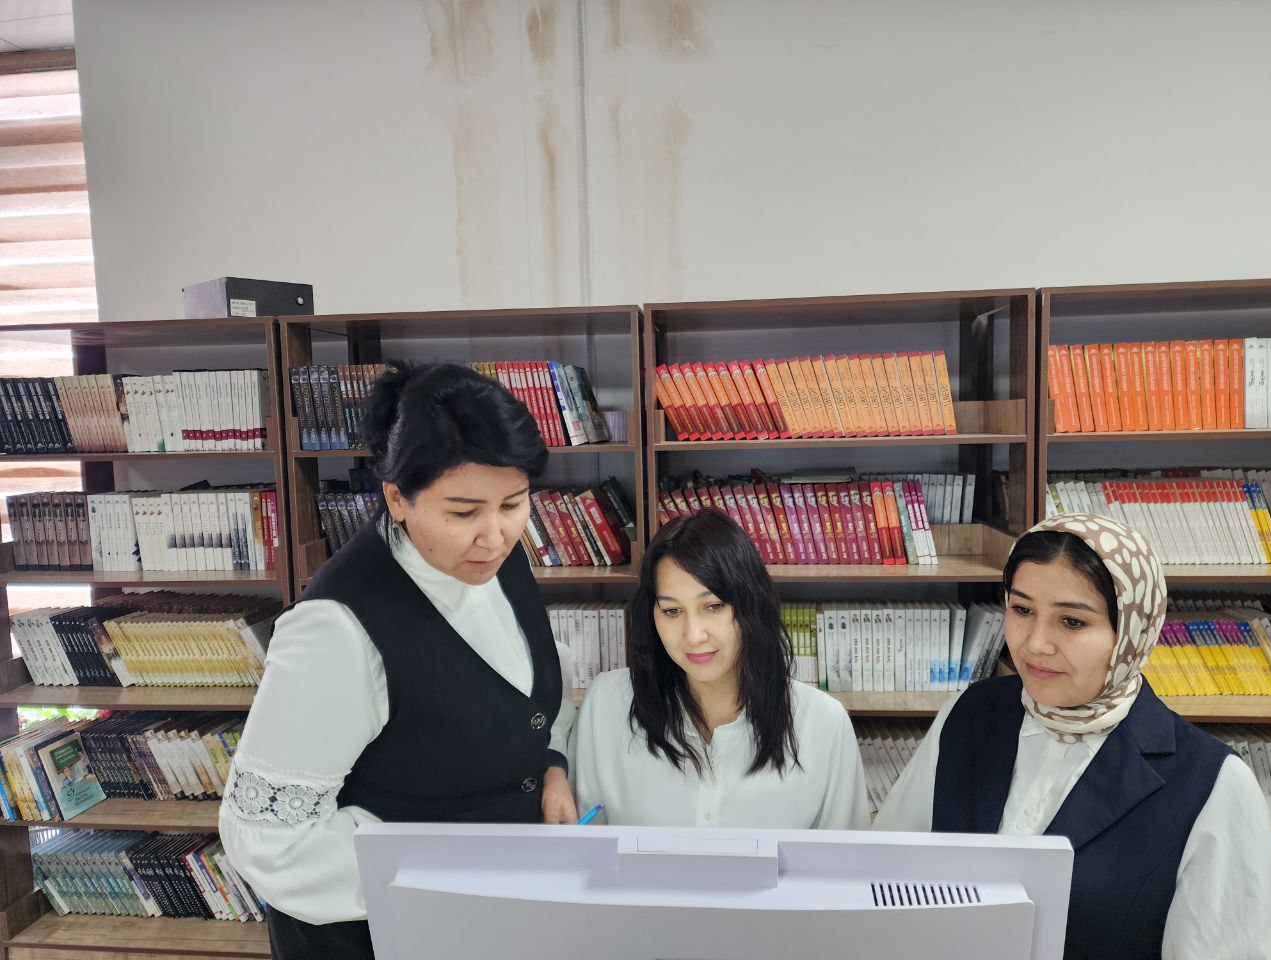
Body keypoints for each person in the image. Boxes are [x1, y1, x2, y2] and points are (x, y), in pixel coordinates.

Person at [219, 361, 578, 960]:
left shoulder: (494, 558)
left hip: (486, 917)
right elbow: (267, 841)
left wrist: (550, 768)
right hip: (377, 934)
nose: (495, 534)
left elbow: (526, 691)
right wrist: (442, 871)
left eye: (514, 503)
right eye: (463, 512)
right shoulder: (338, 628)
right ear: (396, 498)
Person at [874, 513, 1271, 960]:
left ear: (1131, 634)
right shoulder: (968, 715)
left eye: (1071, 622)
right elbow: (886, 880)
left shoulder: (1213, 786)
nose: (1035, 644)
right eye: (1022, 610)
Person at [571, 508, 869, 830]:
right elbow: (581, 847)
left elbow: (843, 858)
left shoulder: (824, 723)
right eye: (671, 611)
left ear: (751, 605)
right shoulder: (606, 705)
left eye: (713, 606)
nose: (693, 636)